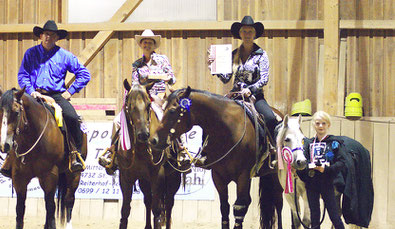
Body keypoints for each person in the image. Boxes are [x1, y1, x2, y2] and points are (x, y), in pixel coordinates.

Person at [0, 20, 90, 177]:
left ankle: (75, 155)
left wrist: (70, 92)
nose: (48, 37)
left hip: (56, 95)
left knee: (72, 118)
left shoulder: (65, 56)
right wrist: (30, 90)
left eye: (52, 35)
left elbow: (84, 74)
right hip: (33, 94)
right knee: (17, 117)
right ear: (41, 36)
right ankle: (10, 158)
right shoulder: (30, 53)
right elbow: (23, 75)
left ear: (56, 38)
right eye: (46, 34)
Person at [99, 29, 189, 174]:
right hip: (142, 98)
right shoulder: (136, 64)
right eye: (145, 42)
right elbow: (135, 84)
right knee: (117, 121)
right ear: (141, 45)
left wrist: (159, 77)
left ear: (154, 45)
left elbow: (171, 78)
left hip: (159, 96)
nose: (147, 44)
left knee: (171, 119)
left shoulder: (162, 59)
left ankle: (181, 149)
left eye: (150, 42)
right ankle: (112, 152)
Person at [205, 16, 277, 165]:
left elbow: (264, 78)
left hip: (255, 96)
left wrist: (251, 89)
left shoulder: (261, 55)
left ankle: (273, 149)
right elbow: (226, 78)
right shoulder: (233, 54)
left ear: (255, 34)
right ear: (240, 34)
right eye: (244, 31)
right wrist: (213, 66)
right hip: (235, 94)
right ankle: (206, 152)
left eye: (250, 31)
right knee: (212, 115)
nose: (247, 34)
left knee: (270, 117)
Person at [297, 111, 355, 229]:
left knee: (335, 215)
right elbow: (301, 164)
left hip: (328, 183)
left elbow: (342, 162)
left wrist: (326, 169)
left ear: (328, 125)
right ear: (314, 125)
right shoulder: (308, 143)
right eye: (318, 123)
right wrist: (306, 174)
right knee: (315, 215)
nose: (320, 126)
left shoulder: (334, 143)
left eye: (323, 123)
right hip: (312, 184)